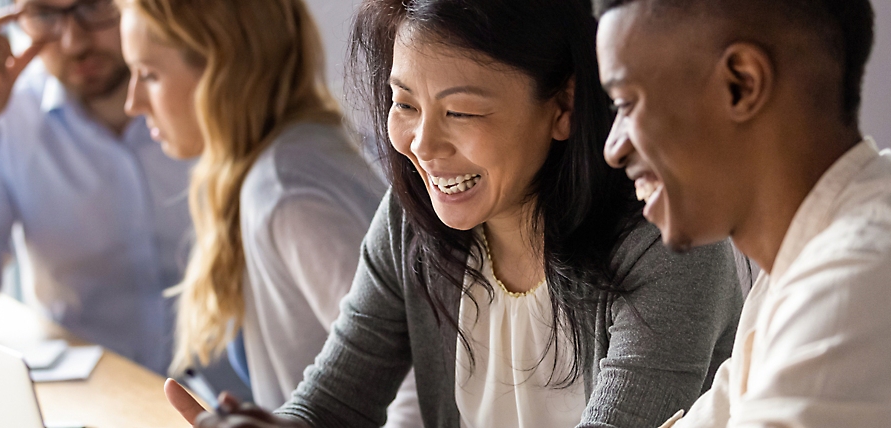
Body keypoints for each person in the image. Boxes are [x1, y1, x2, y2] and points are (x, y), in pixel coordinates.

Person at [165, 0, 746, 427]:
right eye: (404, 103)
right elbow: (334, 404)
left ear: (564, 105)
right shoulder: (408, 222)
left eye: (462, 113)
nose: (421, 144)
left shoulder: (666, 240)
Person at [597, 0, 891, 426]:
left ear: (741, 84)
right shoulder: (793, 271)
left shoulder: (855, 286)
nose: (613, 149)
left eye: (626, 104)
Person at [114, 0, 423, 426]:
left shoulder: (287, 194)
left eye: (149, 74)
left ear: (220, 70)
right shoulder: (286, 154)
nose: (133, 102)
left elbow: (415, 381)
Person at [0, 0, 192, 373]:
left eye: (94, 6)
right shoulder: (9, 117)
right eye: (45, 15)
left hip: (233, 400)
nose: (74, 41)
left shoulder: (208, 100)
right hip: (92, 394)